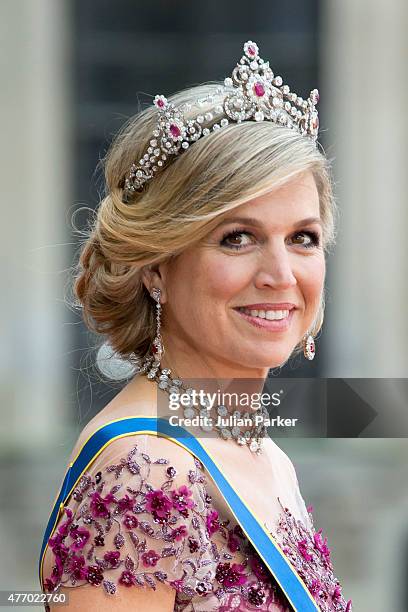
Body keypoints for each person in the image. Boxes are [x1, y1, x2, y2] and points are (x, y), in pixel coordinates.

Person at [39, 41, 352, 611]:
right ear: (157, 265)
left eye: (302, 238)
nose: (281, 275)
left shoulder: (262, 453)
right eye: (238, 237)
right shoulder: (145, 471)